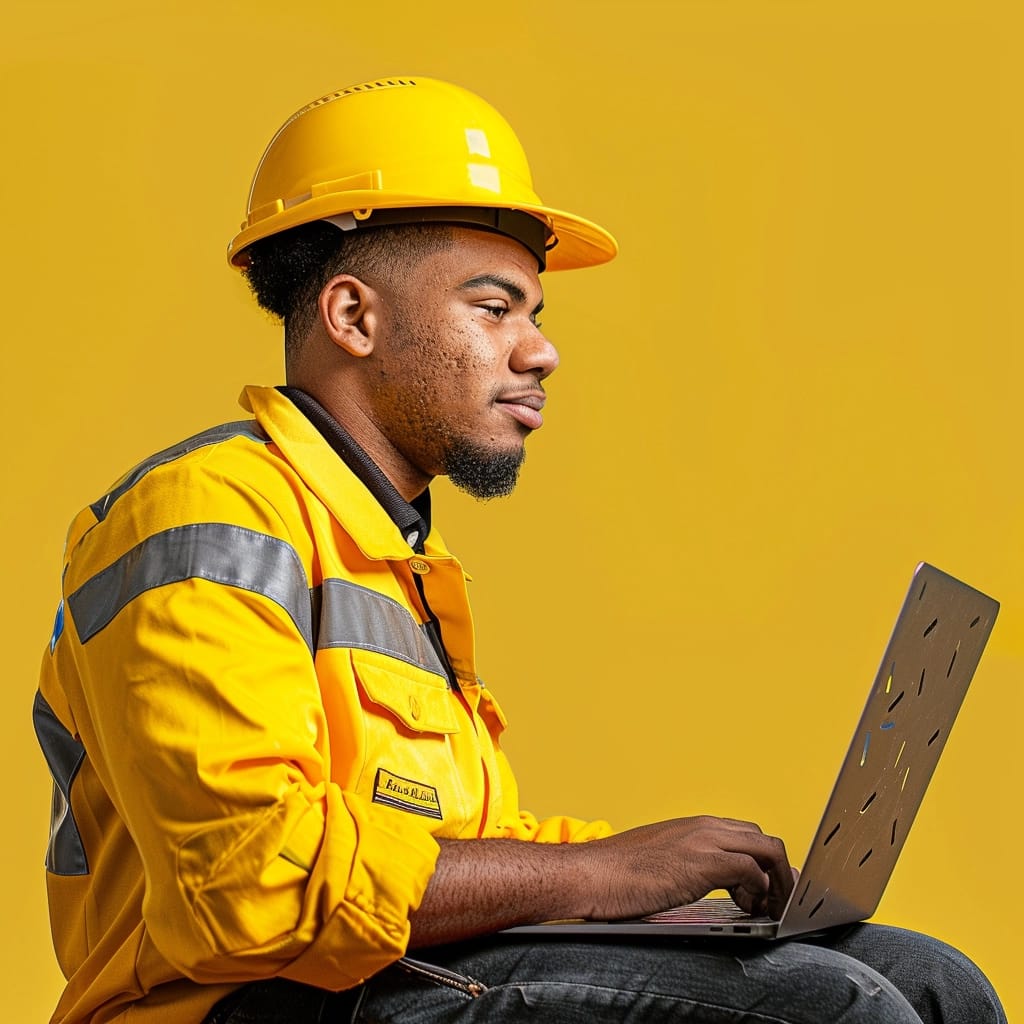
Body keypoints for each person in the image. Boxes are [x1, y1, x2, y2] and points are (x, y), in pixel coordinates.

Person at [34, 76, 1005, 1024]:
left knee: (927, 980)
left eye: (534, 316)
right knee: (834, 1004)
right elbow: (252, 889)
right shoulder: (207, 517)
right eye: (495, 309)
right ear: (353, 317)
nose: (538, 351)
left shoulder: (392, 551)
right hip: (243, 1002)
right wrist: (597, 874)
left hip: (399, 971)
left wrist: (655, 870)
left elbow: (454, 849)